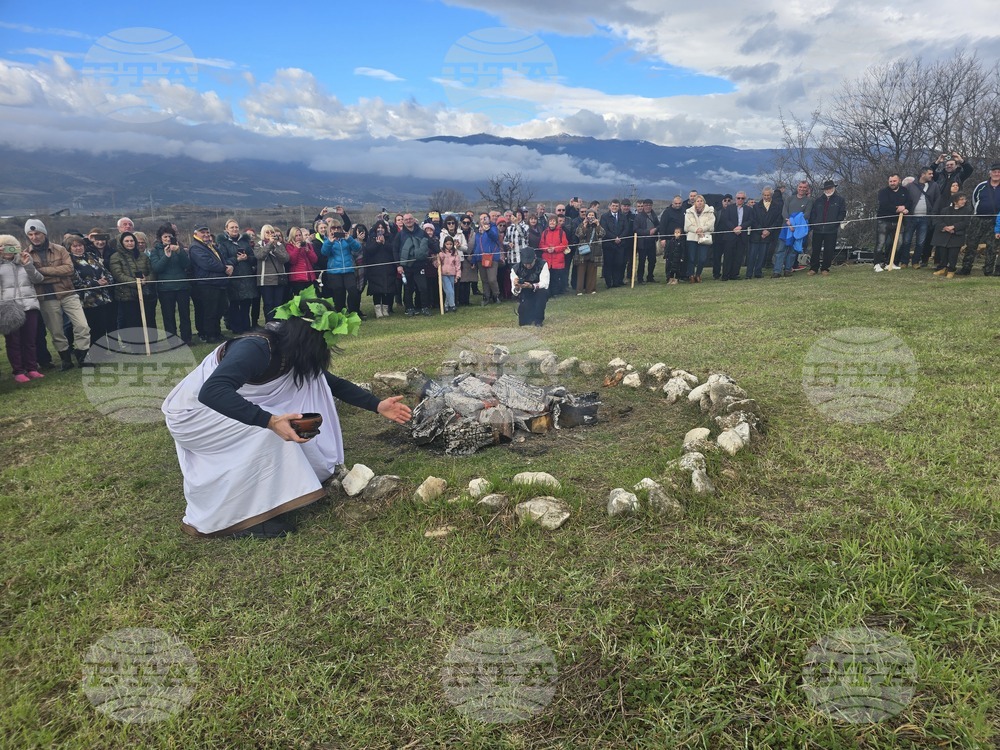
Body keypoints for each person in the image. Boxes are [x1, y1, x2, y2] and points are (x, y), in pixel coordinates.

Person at [161, 286, 411, 539]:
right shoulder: (256, 348)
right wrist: (269, 421)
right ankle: (244, 520)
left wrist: (377, 405)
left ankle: (284, 486)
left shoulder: (293, 351)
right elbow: (211, 392)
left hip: (217, 407)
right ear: (310, 336)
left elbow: (330, 383)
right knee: (269, 432)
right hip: (194, 416)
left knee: (295, 422)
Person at [25, 219, 92, 369]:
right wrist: (54, 273)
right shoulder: (26, 255)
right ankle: (66, 359)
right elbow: (33, 278)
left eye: (37, 233)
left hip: (68, 292)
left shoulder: (60, 249)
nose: (34, 237)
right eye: (31, 234)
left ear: (44, 233)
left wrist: (41, 271)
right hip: (46, 297)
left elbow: (69, 269)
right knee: (56, 331)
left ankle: (82, 356)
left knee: (82, 326)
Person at [0, 234, 45, 382]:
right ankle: (18, 371)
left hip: (29, 305)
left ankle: (32, 368)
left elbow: (38, 279)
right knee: (13, 341)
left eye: (10, 246)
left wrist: (28, 265)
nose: (7, 250)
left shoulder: (25, 261)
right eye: (4, 247)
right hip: (9, 307)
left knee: (30, 339)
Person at [66, 233, 116, 346]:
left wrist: (107, 280)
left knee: (102, 326)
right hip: (86, 300)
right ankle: (89, 351)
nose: (78, 248)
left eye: (80, 245)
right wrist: (96, 283)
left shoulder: (91, 256)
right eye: (75, 246)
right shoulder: (69, 261)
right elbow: (76, 282)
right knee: (90, 328)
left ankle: (101, 350)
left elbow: (106, 272)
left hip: (103, 298)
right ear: (69, 248)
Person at [189, 224, 232, 344]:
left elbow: (221, 259)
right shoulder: (195, 247)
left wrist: (228, 266)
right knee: (210, 311)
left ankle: (217, 332)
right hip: (207, 283)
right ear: (196, 233)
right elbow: (207, 264)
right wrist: (224, 268)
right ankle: (210, 335)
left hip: (218, 282)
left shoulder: (210, 245)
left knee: (220, 309)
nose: (206, 235)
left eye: (207, 232)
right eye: (203, 232)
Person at [149, 226, 192, 345]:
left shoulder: (180, 249)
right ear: (160, 238)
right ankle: (172, 341)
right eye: (165, 237)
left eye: (170, 236)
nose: (168, 239)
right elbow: (157, 268)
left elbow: (187, 264)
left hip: (182, 286)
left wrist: (179, 252)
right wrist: (166, 256)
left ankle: (187, 338)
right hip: (165, 288)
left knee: (185, 314)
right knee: (168, 316)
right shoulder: (155, 251)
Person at [110, 230, 155, 339]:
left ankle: (151, 343)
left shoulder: (143, 256)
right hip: (127, 295)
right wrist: (136, 282)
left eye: (132, 241)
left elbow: (152, 272)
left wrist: (147, 279)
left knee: (149, 319)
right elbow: (118, 275)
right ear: (121, 243)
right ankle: (136, 346)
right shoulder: (116, 257)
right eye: (127, 241)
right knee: (132, 321)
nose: (130, 243)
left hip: (145, 293)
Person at [901, 167, 941, 268]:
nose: (932, 176)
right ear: (923, 174)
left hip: (925, 217)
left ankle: (915, 262)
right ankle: (904, 261)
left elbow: (937, 199)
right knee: (907, 240)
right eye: (930, 174)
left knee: (921, 241)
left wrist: (933, 213)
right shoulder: (911, 186)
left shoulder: (934, 185)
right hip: (911, 217)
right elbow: (905, 199)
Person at [807, 180, 847, 275]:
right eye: (826, 189)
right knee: (815, 249)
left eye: (830, 188)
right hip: (818, 229)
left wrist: (836, 223)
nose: (828, 190)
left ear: (834, 188)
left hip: (831, 230)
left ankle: (825, 268)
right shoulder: (818, 200)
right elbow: (813, 213)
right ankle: (814, 268)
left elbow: (842, 213)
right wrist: (814, 223)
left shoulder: (840, 200)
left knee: (829, 250)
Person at [395, 213, 431, 316]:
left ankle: (424, 307)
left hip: (420, 265)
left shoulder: (422, 232)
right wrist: (398, 265)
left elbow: (431, 242)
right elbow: (395, 250)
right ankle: (409, 308)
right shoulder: (400, 235)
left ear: (414, 220)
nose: (408, 221)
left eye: (410, 219)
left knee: (423, 287)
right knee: (408, 288)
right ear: (403, 221)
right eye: (406, 219)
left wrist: (438, 252)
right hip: (407, 266)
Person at [874, 174, 912, 271]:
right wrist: (898, 209)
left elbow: (909, 202)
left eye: (894, 181)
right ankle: (877, 264)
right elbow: (885, 204)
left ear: (899, 181)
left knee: (898, 242)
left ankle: (891, 263)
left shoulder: (904, 191)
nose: (892, 183)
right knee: (881, 243)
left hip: (899, 221)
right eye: (890, 181)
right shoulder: (883, 192)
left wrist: (905, 208)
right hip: (884, 221)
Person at [931, 192, 971, 279]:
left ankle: (951, 270)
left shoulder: (967, 210)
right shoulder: (945, 210)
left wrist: (954, 227)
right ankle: (942, 268)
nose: (964, 201)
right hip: (944, 235)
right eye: (961, 199)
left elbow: (965, 222)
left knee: (953, 255)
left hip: (956, 235)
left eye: (964, 199)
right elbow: (939, 220)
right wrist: (945, 227)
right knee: (943, 253)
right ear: (955, 201)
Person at [255, 224, 290, 323]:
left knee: (278, 303)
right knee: (268, 304)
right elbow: (260, 255)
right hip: (265, 280)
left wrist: (275, 248)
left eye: (272, 232)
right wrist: (270, 244)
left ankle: (278, 323)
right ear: (263, 234)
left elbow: (286, 258)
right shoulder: (258, 245)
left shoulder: (279, 245)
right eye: (267, 232)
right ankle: (269, 323)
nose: (270, 234)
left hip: (279, 279)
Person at [363, 219, 396, 318]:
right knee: (377, 290)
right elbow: (369, 251)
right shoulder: (371, 238)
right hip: (375, 268)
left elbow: (393, 249)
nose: (381, 229)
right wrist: (377, 243)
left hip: (388, 267)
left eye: (382, 228)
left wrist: (384, 243)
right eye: (379, 228)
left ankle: (385, 309)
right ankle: (378, 310)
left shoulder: (390, 238)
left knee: (386, 289)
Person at [748, 187, 782, 279]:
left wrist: (769, 231)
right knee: (752, 255)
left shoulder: (777, 207)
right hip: (756, 234)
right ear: (762, 195)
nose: (766, 197)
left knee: (762, 255)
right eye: (765, 195)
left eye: (768, 195)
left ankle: (758, 272)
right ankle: (749, 273)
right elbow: (753, 220)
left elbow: (777, 221)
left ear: (771, 195)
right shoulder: (756, 206)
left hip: (768, 234)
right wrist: (761, 230)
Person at [511, 247, 549, 327]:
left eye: (530, 263)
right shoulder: (515, 269)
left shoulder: (543, 264)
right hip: (525, 293)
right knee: (524, 322)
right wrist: (517, 287)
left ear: (535, 258)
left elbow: (545, 283)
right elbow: (514, 291)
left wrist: (531, 286)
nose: (528, 265)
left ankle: (538, 320)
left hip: (538, 291)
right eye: (525, 263)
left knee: (542, 293)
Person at [717, 191, 750, 281]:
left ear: (745, 199)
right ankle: (725, 275)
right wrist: (734, 228)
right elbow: (725, 220)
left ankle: (734, 274)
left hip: (742, 235)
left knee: (738, 256)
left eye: (742, 198)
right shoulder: (729, 208)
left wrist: (741, 227)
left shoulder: (748, 209)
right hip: (730, 235)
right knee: (728, 256)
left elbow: (751, 220)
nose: (740, 200)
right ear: (735, 199)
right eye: (738, 198)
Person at [471, 213, 502, 305]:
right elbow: (476, 246)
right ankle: (486, 297)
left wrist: (487, 230)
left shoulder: (493, 228)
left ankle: (496, 295)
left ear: (489, 219)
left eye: (485, 218)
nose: (483, 220)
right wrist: (473, 260)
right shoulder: (477, 232)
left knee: (492, 279)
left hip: (492, 257)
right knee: (484, 280)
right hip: (480, 258)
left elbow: (495, 237)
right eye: (481, 219)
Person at [684, 195, 716, 283]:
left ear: (704, 202)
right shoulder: (689, 212)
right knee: (691, 258)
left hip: (704, 237)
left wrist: (702, 229)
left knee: (702, 258)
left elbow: (710, 225)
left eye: (701, 201)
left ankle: (698, 274)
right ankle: (691, 275)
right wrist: (696, 230)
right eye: (697, 201)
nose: (699, 202)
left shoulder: (710, 212)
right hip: (692, 237)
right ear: (694, 202)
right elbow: (687, 226)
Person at [574, 210, 604, 295]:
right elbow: (579, 234)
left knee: (592, 270)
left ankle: (591, 289)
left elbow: (602, 234)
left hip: (594, 250)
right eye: (589, 215)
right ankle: (579, 290)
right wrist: (584, 225)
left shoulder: (597, 225)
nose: (591, 217)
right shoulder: (582, 224)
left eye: (592, 215)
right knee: (581, 271)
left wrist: (598, 225)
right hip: (583, 250)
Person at [539, 216, 570, 296]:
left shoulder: (561, 232)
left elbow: (564, 244)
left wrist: (555, 249)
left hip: (557, 258)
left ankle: (555, 292)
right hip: (547, 258)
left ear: (556, 222)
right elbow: (541, 244)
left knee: (556, 277)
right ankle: (548, 293)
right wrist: (547, 249)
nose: (552, 223)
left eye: (553, 221)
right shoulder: (545, 232)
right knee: (547, 276)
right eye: (550, 221)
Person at [286, 227, 318, 297]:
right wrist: (297, 248)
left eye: (300, 235)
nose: (298, 237)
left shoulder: (308, 245)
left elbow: (315, 259)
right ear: (292, 236)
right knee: (300, 300)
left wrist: (308, 251)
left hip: (309, 276)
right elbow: (292, 261)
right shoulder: (289, 246)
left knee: (310, 299)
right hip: (297, 278)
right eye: (296, 236)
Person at [434, 235, 461, 313]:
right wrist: (439, 258)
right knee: (449, 290)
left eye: (450, 244)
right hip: (444, 274)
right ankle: (452, 305)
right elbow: (437, 264)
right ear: (444, 244)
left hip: (452, 274)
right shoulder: (441, 253)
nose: (449, 246)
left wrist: (457, 275)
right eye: (447, 244)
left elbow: (457, 265)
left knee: (450, 290)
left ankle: (446, 305)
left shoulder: (455, 253)